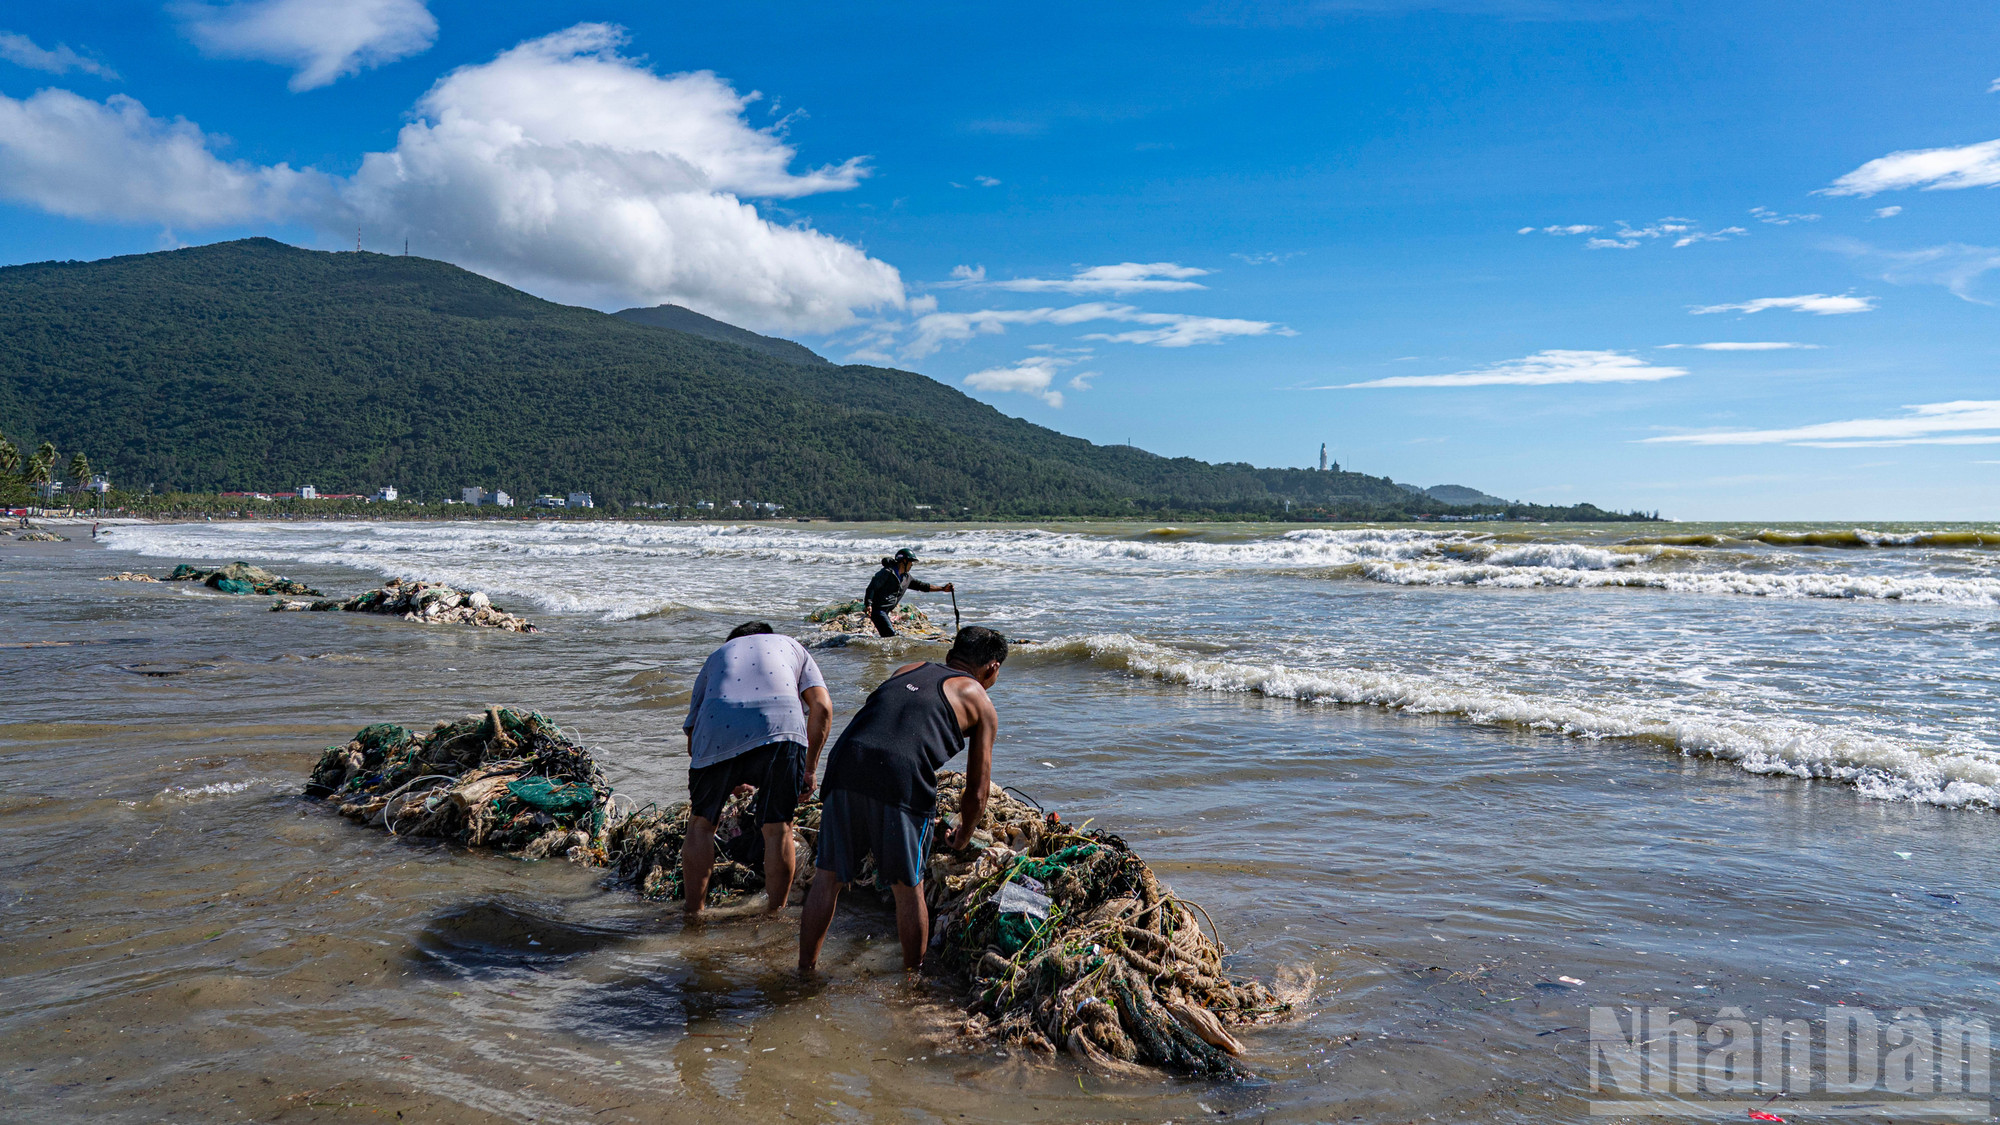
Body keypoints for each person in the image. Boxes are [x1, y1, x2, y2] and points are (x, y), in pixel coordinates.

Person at [798, 625, 1007, 973]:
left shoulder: (907, 669)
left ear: (950, 655)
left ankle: (804, 971)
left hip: (846, 760)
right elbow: (977, 791)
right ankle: (913, 980)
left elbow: (883, 720)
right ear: (992, 668)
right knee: (908, 887)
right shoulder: (980, 700)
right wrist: (964, 835)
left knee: (828, 877)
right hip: (900, 776)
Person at [681, 621, 833, 919]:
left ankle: (693, 914)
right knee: (778, 829)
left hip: (717, 728)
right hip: (783, 726)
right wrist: (810, 769)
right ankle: (775, 913)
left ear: (733, 642)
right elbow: (823, 708)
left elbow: (693, 735)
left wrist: (729, 775)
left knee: (701, 826)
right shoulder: (792, 646)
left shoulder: (717, 655)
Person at [863, 548, 953, 637]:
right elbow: (872, 588)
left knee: (888, 636)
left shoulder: (906, 577)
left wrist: (943, 588)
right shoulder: (887, 573)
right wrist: (868, 604)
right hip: (878, 610)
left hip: (885, 611)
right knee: (890, 636)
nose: (912, 565)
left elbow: (922, 586)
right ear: (904, 561)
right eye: (911, 562)